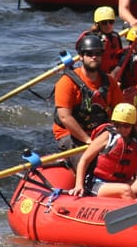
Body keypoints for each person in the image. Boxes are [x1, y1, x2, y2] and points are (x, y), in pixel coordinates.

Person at [52, 34, 125, 163]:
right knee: (92, 162)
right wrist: (88, 141)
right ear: (81, 56)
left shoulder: (109, 81)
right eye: (89, 54)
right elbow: (65, 117)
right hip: (70, 135)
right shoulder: (67, 82)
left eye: (97, 53)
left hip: (99, 131)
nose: (94, 57)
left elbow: (119, 110)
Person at [68, 103, 137, 199]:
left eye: (126, 126)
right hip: (98, 183)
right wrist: (79, 185)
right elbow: (84, 160)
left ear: (132, 126)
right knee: (125, 190)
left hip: (122, 182)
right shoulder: (107, 136)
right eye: (117, 125)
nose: (121, 129)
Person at [77, 6, 124, 73]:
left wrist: (116, 72)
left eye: (111, 22)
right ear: (97, 24)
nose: (108, 25)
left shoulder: (115, 36)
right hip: (96, 73)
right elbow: (80, 52)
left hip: (114, 73)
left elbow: (120, 54)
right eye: (104, 22)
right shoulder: (90, 37)